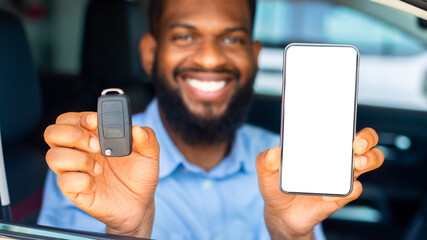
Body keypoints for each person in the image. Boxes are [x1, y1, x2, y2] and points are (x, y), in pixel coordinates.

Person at [38, 0, 384, 239]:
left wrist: (290, 235)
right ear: (149, 54)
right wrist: (127, 234)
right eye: (185, 36)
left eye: (232, 38)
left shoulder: (285, 159)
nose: (209, 57)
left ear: (255, 55)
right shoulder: (94, 162)